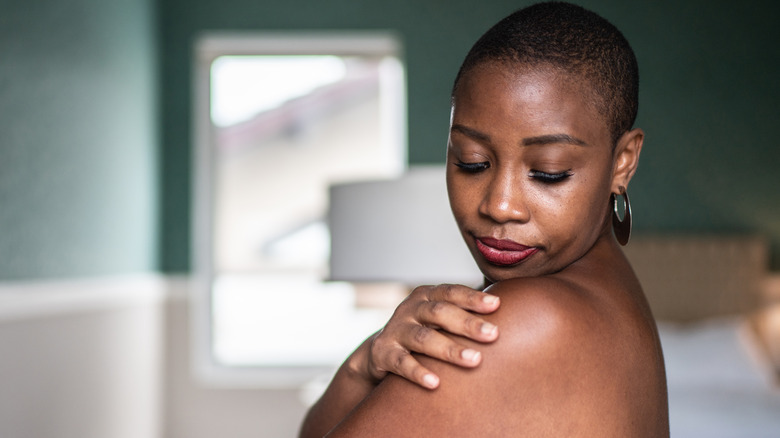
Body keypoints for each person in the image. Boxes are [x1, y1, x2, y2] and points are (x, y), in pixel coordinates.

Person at [300, 2, 669, 436]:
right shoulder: (613, 293)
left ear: (623, 162)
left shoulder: (532, 319)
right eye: (471, 161)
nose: (499, 205)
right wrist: (365, 364)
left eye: (548, 171)